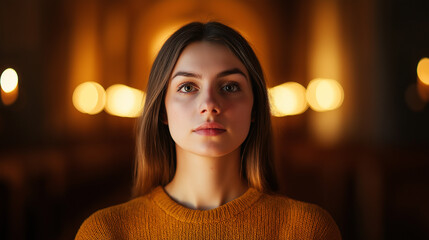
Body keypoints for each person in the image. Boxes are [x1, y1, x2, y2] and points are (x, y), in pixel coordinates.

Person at [75, 21, 342, 239]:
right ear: (162, 111)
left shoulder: (308, 230)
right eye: (188, 87)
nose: (210, 105)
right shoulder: (106, 232)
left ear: (255, 109)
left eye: (229, 86)